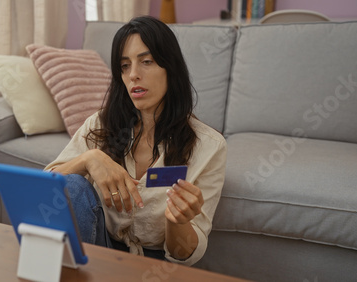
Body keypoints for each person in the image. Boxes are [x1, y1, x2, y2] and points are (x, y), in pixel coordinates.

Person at [45, 16, 226, 266]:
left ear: (170, 68)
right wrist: (89, 159)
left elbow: (185, 254)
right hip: (100, 250)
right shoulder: (100, 124)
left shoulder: (209, 146)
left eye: (147, 62)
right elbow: (46, 188)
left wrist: (178, 221)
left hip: (157, 265)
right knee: (72, 185)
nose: (133, 75)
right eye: (125, 66)